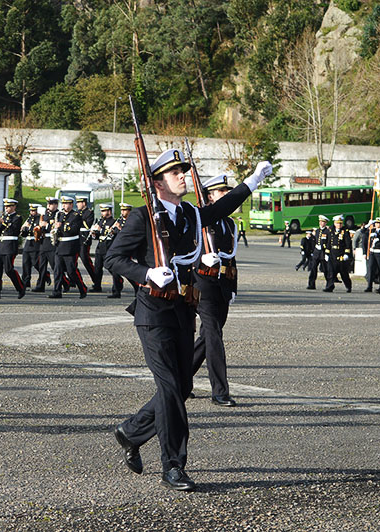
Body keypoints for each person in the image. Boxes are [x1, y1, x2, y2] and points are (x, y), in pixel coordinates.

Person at [106, 148, 271, 491]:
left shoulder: (190, 215)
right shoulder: (143, 217)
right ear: (157, 183)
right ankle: (173, 466)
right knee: (168, 387)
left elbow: (220, 208)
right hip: (152, 312)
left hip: (183, 310)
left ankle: (132, 431)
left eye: (184, 170)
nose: (183, 175)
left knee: (181, 388)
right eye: (175, 172)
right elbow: (113, 258)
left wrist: (253, 181)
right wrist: (147, 272)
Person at [191, 174, 242, 408]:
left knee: (207, 338)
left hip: (221, 285)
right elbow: (182, 252)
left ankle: (181, 380)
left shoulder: (230, 224)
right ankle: (220, 391)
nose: (228, 196)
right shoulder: (198, 219)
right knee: (214, 336)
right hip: (202, 285)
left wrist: (232, 288)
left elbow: (231, 259)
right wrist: (201, 260)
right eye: (223, 192)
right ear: (210, 196)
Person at [50, 196, 87, 299]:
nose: (65, 206)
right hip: (60, 246)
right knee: (57, 271)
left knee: (72, 271)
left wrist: (60, 226)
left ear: (71, 205)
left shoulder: (76, 216)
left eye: (67, 204)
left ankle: (82, 288)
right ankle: (57, 291)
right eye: (63, 204)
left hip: (70, 247)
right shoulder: (60, 214)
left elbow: (73, 230)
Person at [0, 198, 25, 299]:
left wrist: (3, 222)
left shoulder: (17, 217)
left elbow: (14, 229)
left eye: (8, 206)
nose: (6, 208)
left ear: (14, 207)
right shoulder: (4, 216)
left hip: (10, 245)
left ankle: (21, 287)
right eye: (5, 206)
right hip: (1, 245)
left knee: (9, 269)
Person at [31, 197, 60, 293]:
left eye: (51, 204)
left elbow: (56, 228)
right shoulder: (45, 214)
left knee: (54, 266)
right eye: (48, 204)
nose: (49, 205)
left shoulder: (58, 214)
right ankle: (40, 285)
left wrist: (46, 225)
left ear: (56, 205)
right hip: (43, 241)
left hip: (52, 242)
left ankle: (64, 283)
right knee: (41, 265)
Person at [90, 204, 116, 295]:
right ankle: (97, 286)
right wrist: (94, 233)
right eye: (101, 211)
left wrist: (100, 230)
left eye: (104, 211)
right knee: (97, 268)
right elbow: (98, 236)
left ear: (109, 211)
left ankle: (117, 283)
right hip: (100, 247)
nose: (102, 213)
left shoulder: (113, 222)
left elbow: (113, 235)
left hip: (108, 247)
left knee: (110, 267)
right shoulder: (101, 221)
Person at [75, 196, 100, 290]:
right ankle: (74, 281)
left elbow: (87, 225)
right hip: (76, 239)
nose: (77, 204)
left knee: (86, 260)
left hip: (84, 239)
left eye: (79, 203)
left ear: (84, 203)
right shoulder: (77, 213)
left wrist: (78, 219)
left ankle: (96, 280)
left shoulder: (89, 212)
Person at [323, 215, 352, 292]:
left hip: (341, 254)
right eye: (337, 223)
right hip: (332, 254)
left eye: (340, 223)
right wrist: (327, 253)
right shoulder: (331, 231)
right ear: (335, 223)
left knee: (344, 273)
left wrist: (346, 254)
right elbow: (329, 242)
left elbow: (348, 243)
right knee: (331, 272)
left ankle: (348, 286)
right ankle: (329, 286)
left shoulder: (345, 231)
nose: (339, 225)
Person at [19, 203, 42, 289]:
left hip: (36, 242)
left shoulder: (40, 218)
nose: (32, 212)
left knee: (36, 263)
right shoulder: (29, 219)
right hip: (28, 242)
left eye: (34, 211)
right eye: (31, 211)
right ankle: (25, 281)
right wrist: (24, 229)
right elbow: (24, 231)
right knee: (26, 263)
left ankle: (45, 275)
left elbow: (38, 230)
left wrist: (29, 228)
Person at [306, 215, 330, 290]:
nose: (321, 223)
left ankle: (329, 285)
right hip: (316, 252)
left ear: (325, 223)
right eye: (320, 222)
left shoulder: (327, 232)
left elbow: (329, 242)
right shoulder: (317, 231)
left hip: (323, 252)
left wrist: (326, 251)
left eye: (323, 222)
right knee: (313, 268)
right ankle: (311, 284)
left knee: (325, 269)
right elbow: (314, 241)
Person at [364, 218, 380, 292]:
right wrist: (367, 225)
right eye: (376, 223)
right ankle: (369, 286)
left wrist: (378, 236)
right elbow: (363, 233)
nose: (377, 225)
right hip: (372, 251)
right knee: (370, 268)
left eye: (379, 223)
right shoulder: (372, 230)